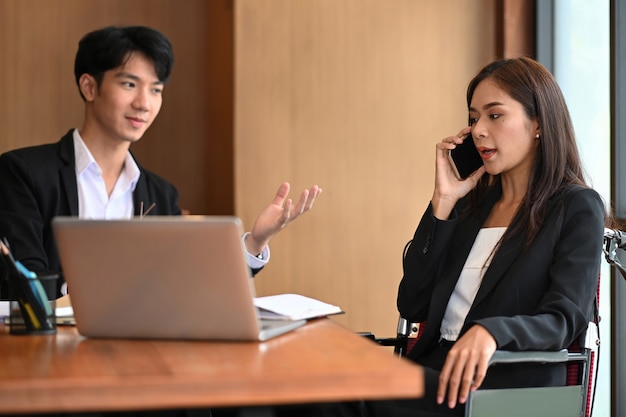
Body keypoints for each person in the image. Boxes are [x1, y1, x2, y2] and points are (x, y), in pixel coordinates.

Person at [274, 56, 608, 417]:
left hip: (500, 383)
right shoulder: (469, 207)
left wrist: (491, 332)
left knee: (329, 393)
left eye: (494, 115)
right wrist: (443, 202)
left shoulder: (575, 206)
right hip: (433, 371)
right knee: (292, 386)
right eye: (473, 118)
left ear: (538, 123)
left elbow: (564, 319)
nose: (479, 130)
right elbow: (413, 304)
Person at [0, 25, 321, 298]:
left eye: (156, 89)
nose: (144, 103)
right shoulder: (23, 172)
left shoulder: (160, 194)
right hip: (50, 358)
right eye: (129, 84)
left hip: (141, 361)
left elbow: (190, 284)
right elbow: (23, 280)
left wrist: (255, 240)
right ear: (89, 86)